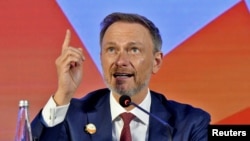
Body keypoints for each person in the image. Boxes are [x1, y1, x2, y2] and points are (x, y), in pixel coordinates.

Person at [31, 12, 211, 141]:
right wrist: (63, 94)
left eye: (134, 50)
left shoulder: (189, 122)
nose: (121, 61)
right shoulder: (71, 116)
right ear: (101, 58)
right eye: (112, 50)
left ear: (156, 62)